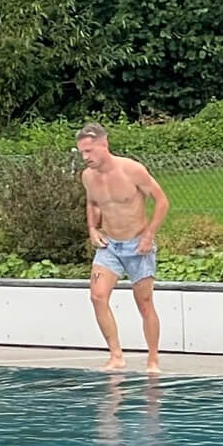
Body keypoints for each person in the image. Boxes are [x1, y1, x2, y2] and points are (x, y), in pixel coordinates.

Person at [76, 122, 171, 373]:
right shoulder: (88, 176)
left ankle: (153, 359)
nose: (85, 157)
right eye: (82, 153)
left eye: (89, 151)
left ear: (104, 145)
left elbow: (162, 202)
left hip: (137, 244)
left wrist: (149, 235)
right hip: (110, 245)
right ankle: (116, 355)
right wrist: (92, 228)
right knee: (97, 296)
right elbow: (93, 203)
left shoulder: (131, 170)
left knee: (144, 302)